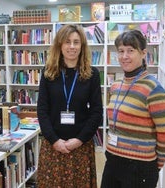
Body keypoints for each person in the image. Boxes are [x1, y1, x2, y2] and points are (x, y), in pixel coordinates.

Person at [101, 30, 165, 188]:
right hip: (113, 160)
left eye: (130, 51)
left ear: (143, 53)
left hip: (140, 167)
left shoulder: (153, 88)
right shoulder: (116, 85)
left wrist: (154, 166)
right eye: (121, 51)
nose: (124, 56)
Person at [37, 24, 103, 188]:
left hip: (80, 146)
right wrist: (54, 140)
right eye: (67, 42)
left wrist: (79, 140)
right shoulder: (48, 73)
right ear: (60, 45)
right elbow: (42, 110)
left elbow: (96, 112)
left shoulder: (92, 74)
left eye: (76, 42)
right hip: (53, 146)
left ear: (82, 46)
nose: (72, 46)